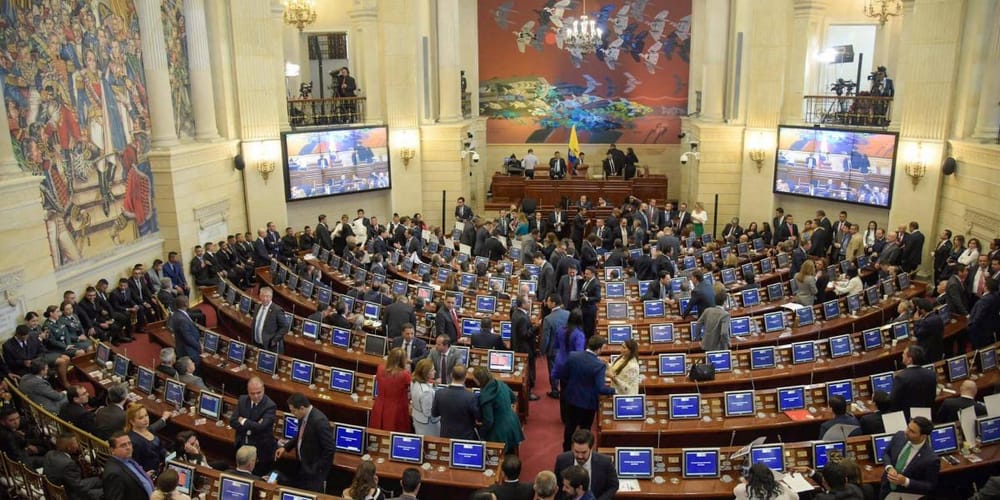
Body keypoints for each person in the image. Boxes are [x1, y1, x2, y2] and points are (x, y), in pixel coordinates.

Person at [557, 336, 616, 451]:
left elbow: (563, 375)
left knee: (570, 427)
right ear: (599, 349)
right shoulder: (599, 365)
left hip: (571, 398)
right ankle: (583, 451)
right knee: (585, 431)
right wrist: (614, 391)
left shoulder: (573, 356)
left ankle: (566, 451)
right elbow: (601, 388)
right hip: (587, 404)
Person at [277, 393, 335, 492]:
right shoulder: (302, 416)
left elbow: (330, 448)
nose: (292, 414)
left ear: (302, 408)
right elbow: (300, 434)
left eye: (293, 411)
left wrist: (316, 467)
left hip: (314, 470)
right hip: (304, 464)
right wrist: (286, 447)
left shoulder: (319, 421)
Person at [879, 417, 940, 498]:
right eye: (908, 427)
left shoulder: (931, 459)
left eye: (912, 431)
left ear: (923, 436)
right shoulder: (899, 436)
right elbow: (886, 453)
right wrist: (889, 467)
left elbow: (929, 486)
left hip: (907, 494)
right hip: (886, 487)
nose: (906, 432)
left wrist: (905, 481)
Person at [230, 377, 278, 476]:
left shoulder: (270, 405)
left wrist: (243, 420)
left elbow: (262, 427)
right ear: (248, 391)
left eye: (258, 392)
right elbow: (233, 421)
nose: (256, 396)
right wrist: (254, 425)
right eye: (252, 393)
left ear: (263, 390)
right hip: (242, 445)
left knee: (257, 476)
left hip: (261, 450)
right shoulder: (242, 400)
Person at [553, 429, 618, 500]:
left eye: (584, 452)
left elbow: (613, 485)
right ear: (572, 447)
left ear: (591, 448)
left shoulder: (605, 462)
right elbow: (557, 487)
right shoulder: (562, 460)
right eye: (576, 452)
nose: (580, 456)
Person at [472, 366, 524, 453]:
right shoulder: (501, 384)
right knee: (512, 453)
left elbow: (489, 421)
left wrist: (480, 433)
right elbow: (514, 398)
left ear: (478, 380)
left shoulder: (485, 396)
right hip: (513, 423)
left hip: (499, 431)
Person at [44, 433, 103, 500]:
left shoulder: (49, 454)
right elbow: (79, 487)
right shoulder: (68, 464)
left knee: (97, 481)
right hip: (67, 495)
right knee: (104, 492)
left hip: (53, 492)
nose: (78, 444)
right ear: (69, 448)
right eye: (76, 443)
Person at [432, 364, 480, 440]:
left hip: (446, 435)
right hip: (465, 436)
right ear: (465, 377)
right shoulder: (471, 396)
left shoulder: (439, 393)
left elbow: (434, 414)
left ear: (451, 375)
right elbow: (478, 417)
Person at [371, 348, 413, 432]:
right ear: (402, 360)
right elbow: (412, 387)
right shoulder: (405, 375)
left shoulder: (380, 368)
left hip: (380, 405)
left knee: (378, 432)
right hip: (397, 409)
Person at [102, 432, 156, 498]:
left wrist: (144, 476)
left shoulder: (127, 459)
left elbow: (131, 479)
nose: (128, 447)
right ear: (112, 450)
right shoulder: (113, 473)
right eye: (123, 445)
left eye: (129, 443)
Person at [890, 345, 937, 418]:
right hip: (926, 414)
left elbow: (893, 400)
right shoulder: (931, 374)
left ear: (910, 360)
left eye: (904, 354)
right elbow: (932, 396)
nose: (902, 355)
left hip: (908, 416)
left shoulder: (901, 377)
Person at [126, 403, 171, 475]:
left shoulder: (147, 429)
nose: (145, 419)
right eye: (141, 418)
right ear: (132, 422)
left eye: (146, 415)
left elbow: (154, 427)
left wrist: (164, 418)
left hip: (164, 460)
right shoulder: (133, 441)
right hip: (151, 474)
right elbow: (134, 465)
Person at [511, 293, 538, 399]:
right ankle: (529, 393)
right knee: (528, 370)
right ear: (522, 304)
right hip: (524, 347)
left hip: (517, 345)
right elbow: (525, 335)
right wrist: (535, 328)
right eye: (527, 302)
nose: (529, 303)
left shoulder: (515, 313)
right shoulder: (522, 317)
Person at [252, 287, 291, 353]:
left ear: (271, 297)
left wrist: (274, 340)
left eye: (267, 296)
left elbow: (285, 326)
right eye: (262, 296)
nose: (265, 299)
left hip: (270, 346)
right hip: (257, 343)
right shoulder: (257, 307)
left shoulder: (277, 310)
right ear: (259, 296)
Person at [169, 295, 201, 371]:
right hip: (189, 351)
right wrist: (199, 346)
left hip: (181, 347)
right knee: (196, 371)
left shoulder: (176, 314)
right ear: (186, 304)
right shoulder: (182, 319)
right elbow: (188, 338)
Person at [733, 462, 799, 500]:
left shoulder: (743, 489)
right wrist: (781, 483)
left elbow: (735, 491)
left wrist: (747, 482)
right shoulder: (782, 488)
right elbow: (796, 497)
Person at [409, 358, 440, 436]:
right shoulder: (426, 392)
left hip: (417, 418)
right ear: (426, 373)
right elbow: (428, 413)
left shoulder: (414, 381)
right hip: (428, 425)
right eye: (432, 370)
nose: (435, 371)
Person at [969, 278, 1000, 349]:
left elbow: (978, 318)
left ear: (986, 287)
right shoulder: (996, 296)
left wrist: (970, 328)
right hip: (991, 328)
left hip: (981, 331)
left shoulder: (984, 301)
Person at [912, 298, 944, 363]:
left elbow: (917, 334)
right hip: (937, 350)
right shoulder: (938, 317)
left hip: (928, 353)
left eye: (918, 310)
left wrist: (917, 321)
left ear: (922, 310)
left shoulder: (927, 322)